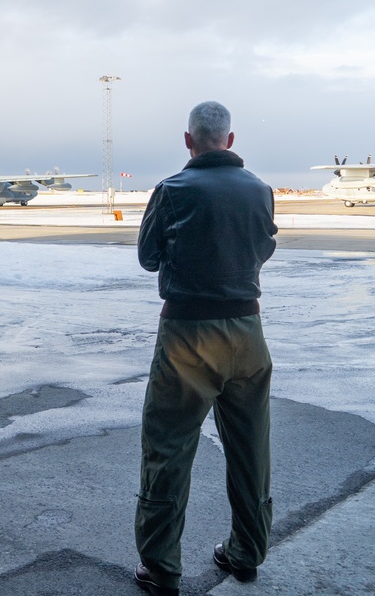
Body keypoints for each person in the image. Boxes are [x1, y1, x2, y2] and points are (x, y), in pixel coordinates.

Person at [133, 102, 277, 596]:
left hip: (187, 337)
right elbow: (263, 249)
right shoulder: (261, 191)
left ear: (188, 140)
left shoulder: (172, 190)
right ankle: (246, 554)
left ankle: (161, 567)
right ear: (230, 140)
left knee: (169, 448)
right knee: (250, 446)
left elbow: (148, 258)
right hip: (247, 330)